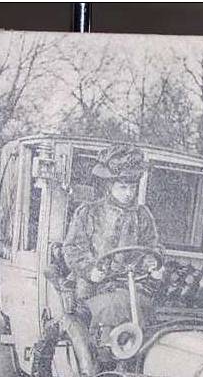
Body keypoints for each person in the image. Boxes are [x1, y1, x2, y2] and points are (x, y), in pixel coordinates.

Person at [62, 144, 161, 349]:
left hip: (132, 286)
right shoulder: (89, 212)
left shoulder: (142, 215)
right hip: (94, 288)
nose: (129, 193)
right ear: (109, 186)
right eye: (122, 187)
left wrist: (152, 263)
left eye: (132, 187)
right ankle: (105, 356)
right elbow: (72, 248)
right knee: (112, 308)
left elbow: (152, 246)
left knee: (144, 309)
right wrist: (91, 270)